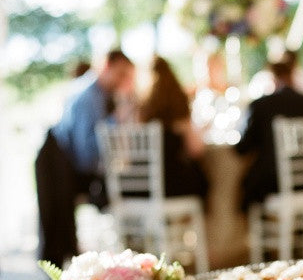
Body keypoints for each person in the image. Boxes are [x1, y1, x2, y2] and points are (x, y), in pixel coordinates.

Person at [36, 49, 135, 267]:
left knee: (64, 224)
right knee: (56, 223)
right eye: (120, 75)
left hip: (66, 157)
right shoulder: (89, 96)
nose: (122, 82)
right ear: (106, 67)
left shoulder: (99, 94)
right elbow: (86, 154)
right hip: (56, 158)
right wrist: (115, 121)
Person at [234, 58, 303, 210]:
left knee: (246, 187)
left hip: (275, 182)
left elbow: (242, 148)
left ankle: (258, 233)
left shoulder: (260, 106)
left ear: (271, 78)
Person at [137, 55, 209, 201]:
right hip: (175, 184)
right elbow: (195, 150)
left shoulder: (141, 109)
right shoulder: (178, 106)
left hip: (144, 186)